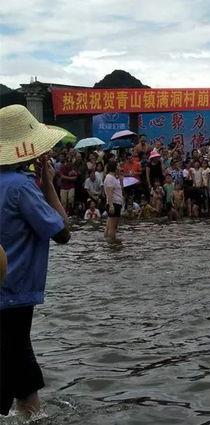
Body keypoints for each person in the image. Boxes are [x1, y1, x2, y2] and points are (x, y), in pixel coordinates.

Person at [0, 105, 71, 417]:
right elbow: (62, 232)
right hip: (14, 292)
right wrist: (49, 185)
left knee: (13, 365)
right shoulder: (21, 186)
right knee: (20, 363)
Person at [103, 162, 123, 242]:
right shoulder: (110, 178)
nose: (119, 168)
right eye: (118, 167)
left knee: (109, 226)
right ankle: (112, 243)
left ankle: (108, 241)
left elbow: (120, 190)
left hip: (116, 203)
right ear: (114, 168)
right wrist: (111, 205)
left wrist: (121, 180)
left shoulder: (113, 178)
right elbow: (109, 192)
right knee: (113, 227)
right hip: (114, 203)